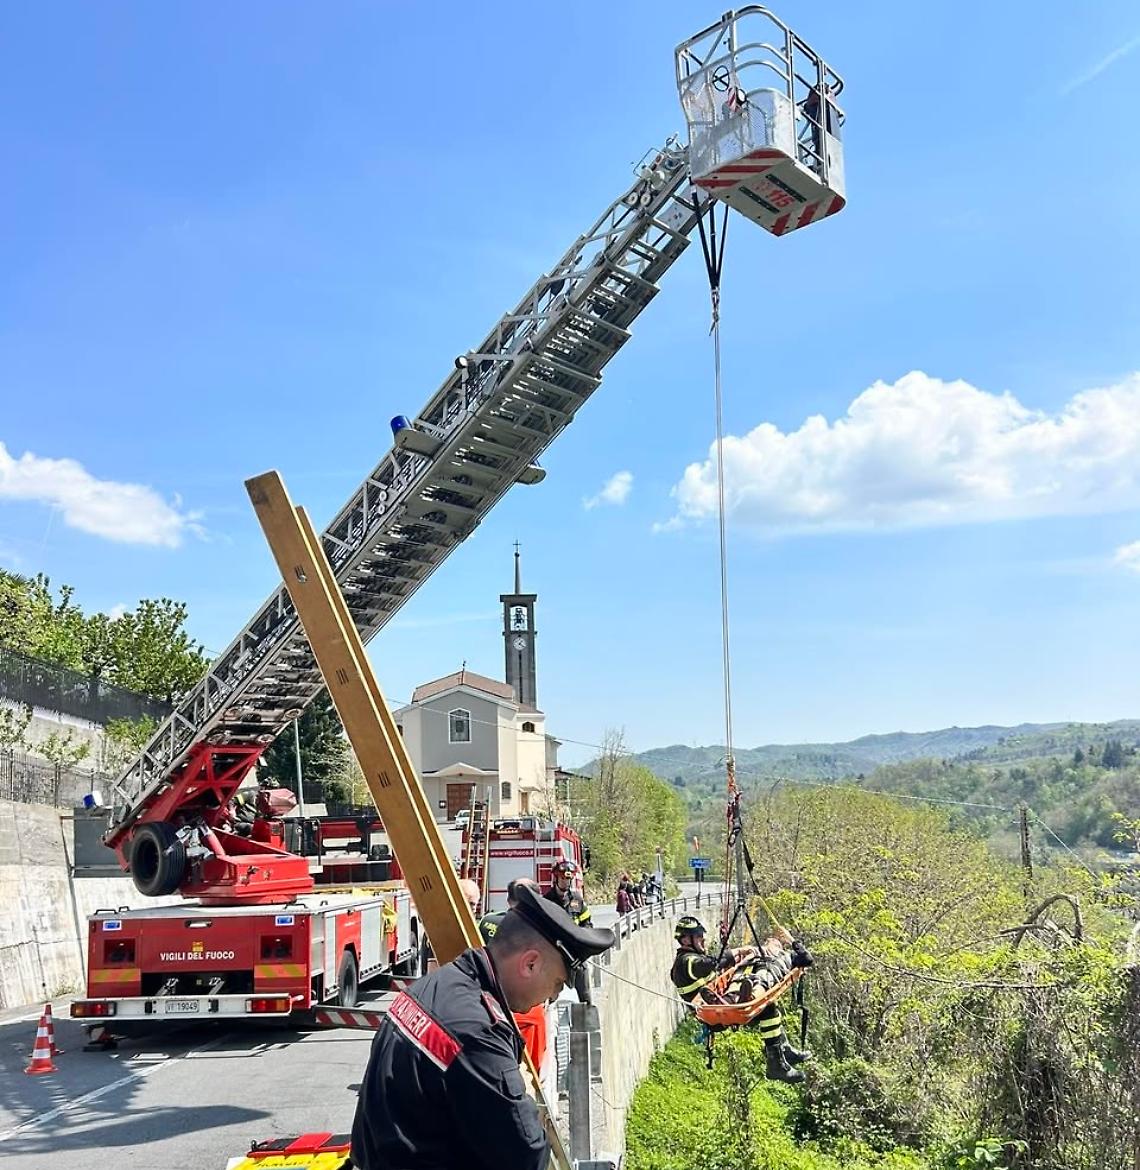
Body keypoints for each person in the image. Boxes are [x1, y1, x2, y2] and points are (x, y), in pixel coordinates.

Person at [351, 884, 615, 1170]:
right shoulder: (479, 1032)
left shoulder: (440, 983)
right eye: (556, 984)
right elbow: (525, 1154)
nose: (550, 997)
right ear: (530, 964)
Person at [670, 914, 812, 1084]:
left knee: (769, 1008)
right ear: (686, 940)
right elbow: (711, 963)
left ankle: (780, 1054)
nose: (703, 940)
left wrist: (748, 955)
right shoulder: (686, 962)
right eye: (699, 937)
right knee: (758, 982)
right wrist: (739, 951)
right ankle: (776, 1057)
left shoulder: (690, 960)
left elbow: (715, 964)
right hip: (715, 1013)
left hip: (719, 1007)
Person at [478, 878, 546, 1071]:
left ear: (508, 900)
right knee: (530, 1068)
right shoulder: (536, 930)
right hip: (523, 1009)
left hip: (486, 1004)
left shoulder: (487, 921)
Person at [543, 859, 595, 1004]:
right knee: (548, 993)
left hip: (574, 954)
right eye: (563, 878)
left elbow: (587, 923)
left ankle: (588, 1016)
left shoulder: (577, 900)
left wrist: (583, 943)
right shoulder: (547, 901)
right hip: (553, 954)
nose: (566, 882)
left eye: (569, 878)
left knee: (584, 982)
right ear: (556, 878)